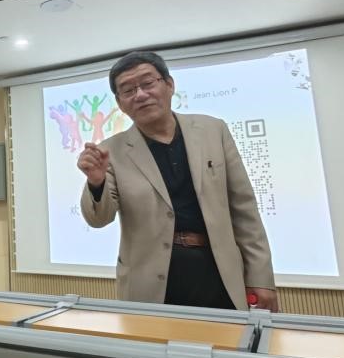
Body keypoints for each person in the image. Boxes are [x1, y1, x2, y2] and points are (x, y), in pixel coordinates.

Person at [77, 50, 278, 312]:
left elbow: (244, 209)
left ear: (169, 85)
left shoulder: (212, 131)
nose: (140, 94)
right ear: (120, 103)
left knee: (230, 337)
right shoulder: (110, 151)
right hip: (149, 282)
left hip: (219, 271)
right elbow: (99, 219)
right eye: (128, 90)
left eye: (148, 83)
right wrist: (96, 183)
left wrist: (260, 278)